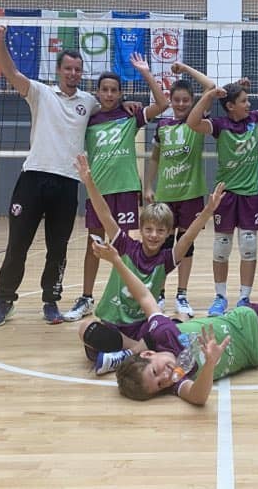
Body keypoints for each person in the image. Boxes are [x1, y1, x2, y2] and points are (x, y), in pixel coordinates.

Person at [91, 237, 258, 405]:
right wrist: (209, 364)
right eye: (159, 385)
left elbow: (144, 297)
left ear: (148, 354)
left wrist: (116, 261)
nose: (164, 377)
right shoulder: (177, 378)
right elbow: (197, 397)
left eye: (155, 372)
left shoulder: (163, 332)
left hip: (254, 324)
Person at [0, 25, 99, 327]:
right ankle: (4, 301)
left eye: (77, 69)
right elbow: (11, 73)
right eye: (68, 68)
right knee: (17, 245)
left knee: (57, 248)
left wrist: (128, 105)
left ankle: (51, 301)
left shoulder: (88, 102)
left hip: (67, 183)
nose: (73, 73)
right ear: (59, 70)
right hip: (33, 180)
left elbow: (112, 111)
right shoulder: (40, 92)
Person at [73, 152, 225, 374]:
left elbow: (188, 236)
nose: (154, 235)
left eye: (160, 231)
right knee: (86, 328)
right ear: (141, 229)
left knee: (177, 322)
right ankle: (136, 351)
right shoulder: (125, 246)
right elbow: (105, 214)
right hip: (115, 325)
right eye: (149, 229)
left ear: (168, 233)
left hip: (143, 327)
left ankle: (123, 356)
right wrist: (89, 182)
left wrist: (208, 210)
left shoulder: (166, 259)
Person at [63, 55, 169, 322]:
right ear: (98, 93)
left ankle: (129, 294)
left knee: (127, 247)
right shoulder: (89, 119)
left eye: (114, 90)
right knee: (94, 245)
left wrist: (145, 73)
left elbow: (163, 104)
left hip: (125, 190)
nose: (109, 94)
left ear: (121, 93)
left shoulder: (129, 115)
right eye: (105, 90)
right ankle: (87, 298)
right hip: (99, 192)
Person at [186, 80, 258, 316]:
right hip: (225, 195)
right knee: (221, 247)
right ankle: (220, 297)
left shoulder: (254, 119)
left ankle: (245, 297)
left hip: (250, 195)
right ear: (230, 106)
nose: (249, 104)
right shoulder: (220, 125)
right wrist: (209, 96)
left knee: (249, 246)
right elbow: (192, 122)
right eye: (244, 101)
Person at [141, 61, 216, 318]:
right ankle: (159, 293)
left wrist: (185, 68)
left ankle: (182, 294)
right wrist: (148, 185)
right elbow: (155, 158)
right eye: (177, 100)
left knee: (186, 245)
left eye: (186, 100)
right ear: (170, 101)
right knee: (162, 246)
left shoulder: (196, 122)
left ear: (192, 101)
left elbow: (211, 87)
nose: (181, 104)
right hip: (166, 195)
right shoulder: (162, 126)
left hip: (191, 194)